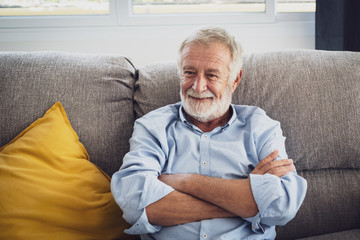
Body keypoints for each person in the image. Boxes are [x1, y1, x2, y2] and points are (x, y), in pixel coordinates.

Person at [111, 26, 307, 240]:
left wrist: (186, 182)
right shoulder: (153, 127)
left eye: (212, 75)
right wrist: (246, 196)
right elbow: (135, 204)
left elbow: (282, 206)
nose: (198, 86)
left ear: (235, 79)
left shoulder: (260, 127)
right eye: (189, 72)